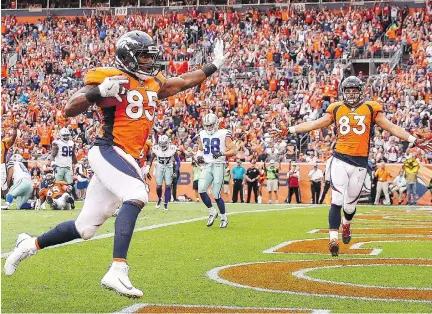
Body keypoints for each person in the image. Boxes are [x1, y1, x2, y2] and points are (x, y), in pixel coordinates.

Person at [5, 31, 230, 298]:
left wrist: (213, 66)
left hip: (125, 157)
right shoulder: (111, 78)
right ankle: (117, 269)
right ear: (129, 58)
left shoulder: (153, 83)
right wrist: (98, 92)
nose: (150, 62)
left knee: (85, 228)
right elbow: (69, 108)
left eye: (151, 56)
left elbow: (181, 82)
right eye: (145, 57)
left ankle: (28, 244)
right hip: (107, 149)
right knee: (136, 193)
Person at [272, 75, 432, 256]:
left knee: (349, 206)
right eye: (348, 91)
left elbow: (392, 127)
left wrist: (413, 140)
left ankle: (346, 224)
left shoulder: (371, 108)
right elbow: (314, 124)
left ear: (360, 92)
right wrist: (290, 130)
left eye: (354, 91)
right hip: (340, 158)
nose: (351, 94)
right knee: (337, 199)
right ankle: (333, 238)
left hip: (360, 163)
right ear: (343, 92)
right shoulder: (336, 108)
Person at [197, 113, 237, 228]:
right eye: (207, 125)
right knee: (201, 189)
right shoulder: (202, 133)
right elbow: (200, 148)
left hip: (219, 165)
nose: (209, 127)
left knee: (216, 194)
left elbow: (234, 150)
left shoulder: (224, 133)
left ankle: (224, 217)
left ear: (216, 124)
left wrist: (221, 153)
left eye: (210, 125)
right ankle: (212, 211)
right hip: (207, 165)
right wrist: (198, 156)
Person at [147, 135, 180, 211]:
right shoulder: (156, 148)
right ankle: (159, 198)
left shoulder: (172, 148)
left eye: (164, 143)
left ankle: (165, 204)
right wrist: (148, 167)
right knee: (158, 186)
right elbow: (151, 159)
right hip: (159, 166)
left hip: (169, 167)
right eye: (161, 143)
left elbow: (178, 160)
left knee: (168, 185)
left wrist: (176, 170)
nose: (162, 145)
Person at [1, 122, 20, 193]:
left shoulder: (4, 142)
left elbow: (13, 138)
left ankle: (5, 198)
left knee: (3, 182)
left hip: (1, 164)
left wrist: (15, 129)